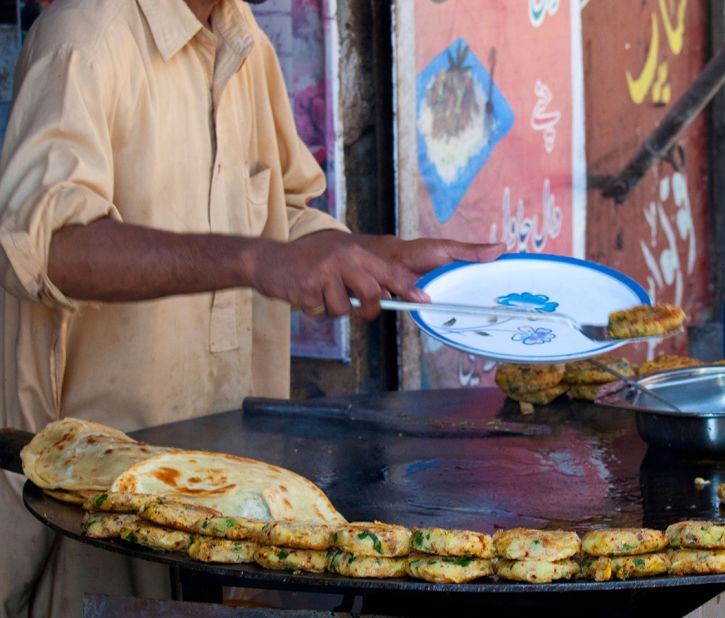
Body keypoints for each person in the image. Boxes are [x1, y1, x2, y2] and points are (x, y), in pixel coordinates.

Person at [0, 0, 502, 615]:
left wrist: (367, 253)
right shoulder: (84, 35)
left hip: (229, 493)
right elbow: (46, 249)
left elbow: (278, 216)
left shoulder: (245, 41)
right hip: (94, 493)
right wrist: (253, 262)